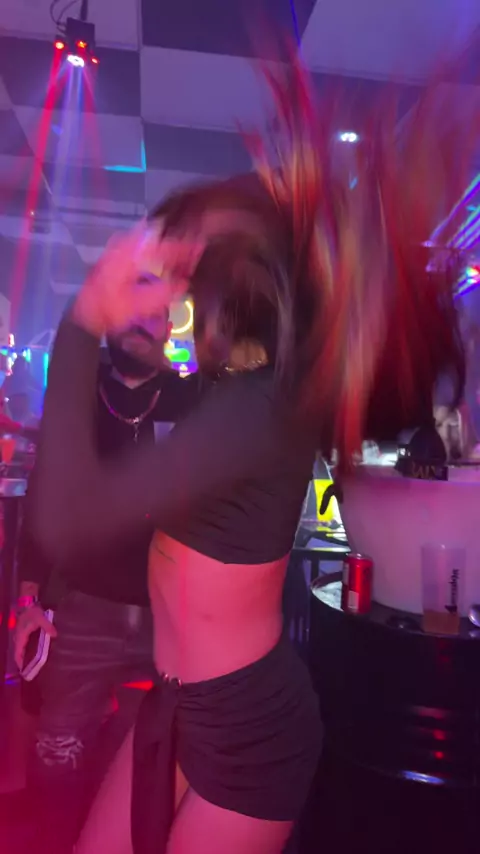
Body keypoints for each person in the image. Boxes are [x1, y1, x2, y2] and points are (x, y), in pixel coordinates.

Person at [29, 60, 466, 854]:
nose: (171, 293)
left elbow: (65, 518)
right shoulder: (231, 391)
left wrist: (83, 321)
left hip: (248, 733)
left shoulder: (259, 410)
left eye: (186, 274)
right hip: (182, 702)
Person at [14, 308, 202, 854]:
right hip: (82, 608)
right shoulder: (78, 395)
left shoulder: (190, 400)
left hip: (167, 612)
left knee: (145, 765)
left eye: (155, 316)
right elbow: (44, 494)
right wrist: (28, 600)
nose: (142, 324)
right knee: (58, 754)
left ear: (169, 328)